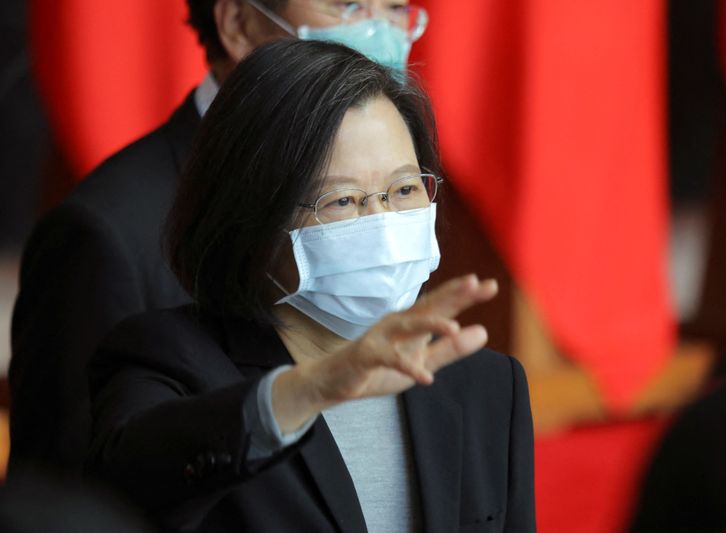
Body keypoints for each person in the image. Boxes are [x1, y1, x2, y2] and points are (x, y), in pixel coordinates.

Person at [87, 40, 536, 532]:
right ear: (253, 221)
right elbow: (121, 492)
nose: (383, 221)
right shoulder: (166, 361)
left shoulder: (486, 385)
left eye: (405, 189)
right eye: (341, 200)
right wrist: (309, 389)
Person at [8, 0, 429, 476]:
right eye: (347, 4)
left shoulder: (401, 201)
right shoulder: (108, 232)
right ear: (238, 23)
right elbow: (70, 488)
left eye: (395, 6)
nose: (379, 31)